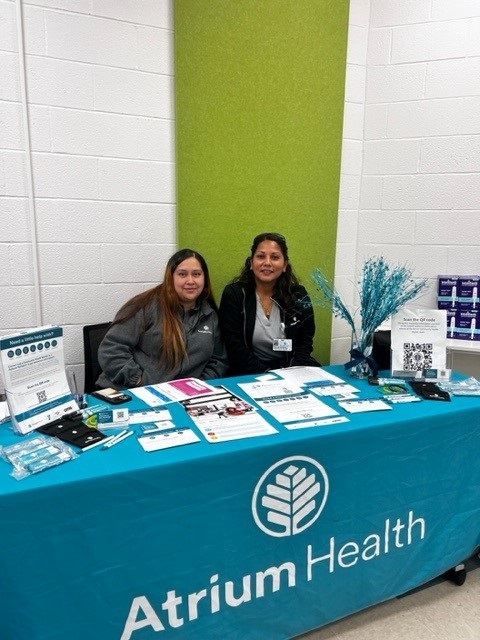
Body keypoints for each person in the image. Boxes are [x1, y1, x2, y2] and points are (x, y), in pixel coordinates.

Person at [97, 248, 229, 389]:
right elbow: (111, 348)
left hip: (180, 398)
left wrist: (198, 386)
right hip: (129, 392)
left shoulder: (210, 315)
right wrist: (138, 381)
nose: (190, 281)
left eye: (196, 274)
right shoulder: (145, 305)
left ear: (204, 278)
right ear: (170, 277)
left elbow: (218, 360)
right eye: (182, 274)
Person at [219, 232, 321, 375]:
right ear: (251, 263)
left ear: (285, 265)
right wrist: (267, 375)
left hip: (292, 371)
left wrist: (290, 373)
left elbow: (305, 342)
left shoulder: (298, 295)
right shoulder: (235, 294)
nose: (267, 262)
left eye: (275, 257)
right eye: (261, 256)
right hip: (248, 373)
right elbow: (234, 346)